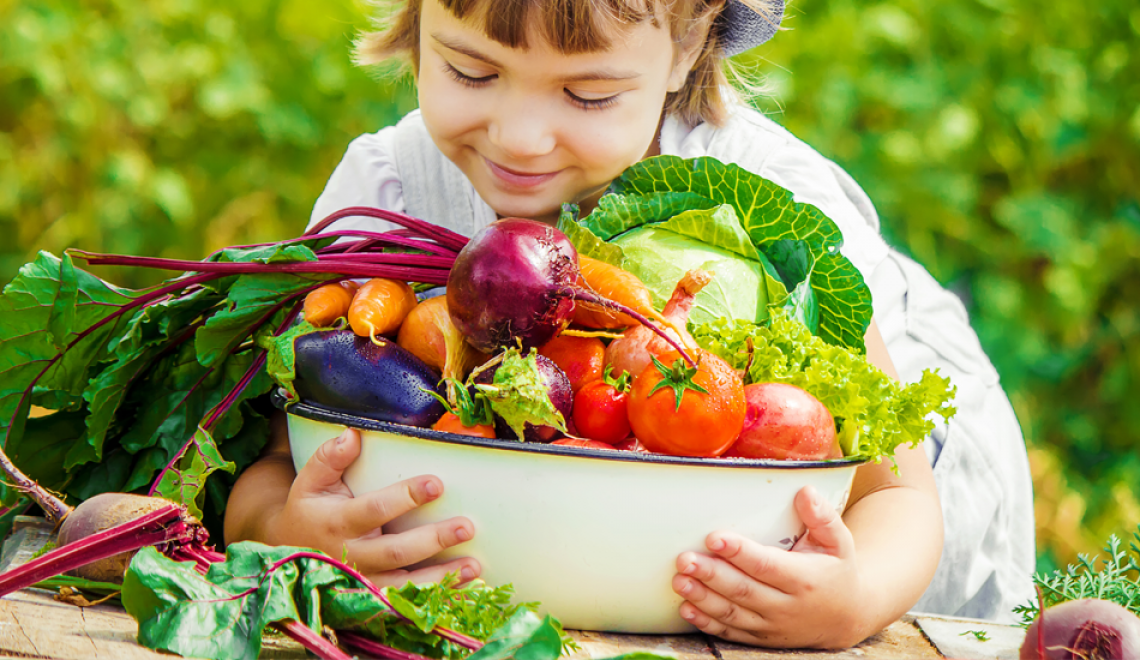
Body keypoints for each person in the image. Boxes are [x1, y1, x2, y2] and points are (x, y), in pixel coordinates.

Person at [224, 0, 1036, 648]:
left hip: (897, 510)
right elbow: (270, 470)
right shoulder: (385, 197)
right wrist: (288, 529)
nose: (519, 136)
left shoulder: (770, 207)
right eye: (470, 70)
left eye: (587, 95)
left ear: (688, 43)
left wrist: (855, 602)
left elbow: (898, 499)